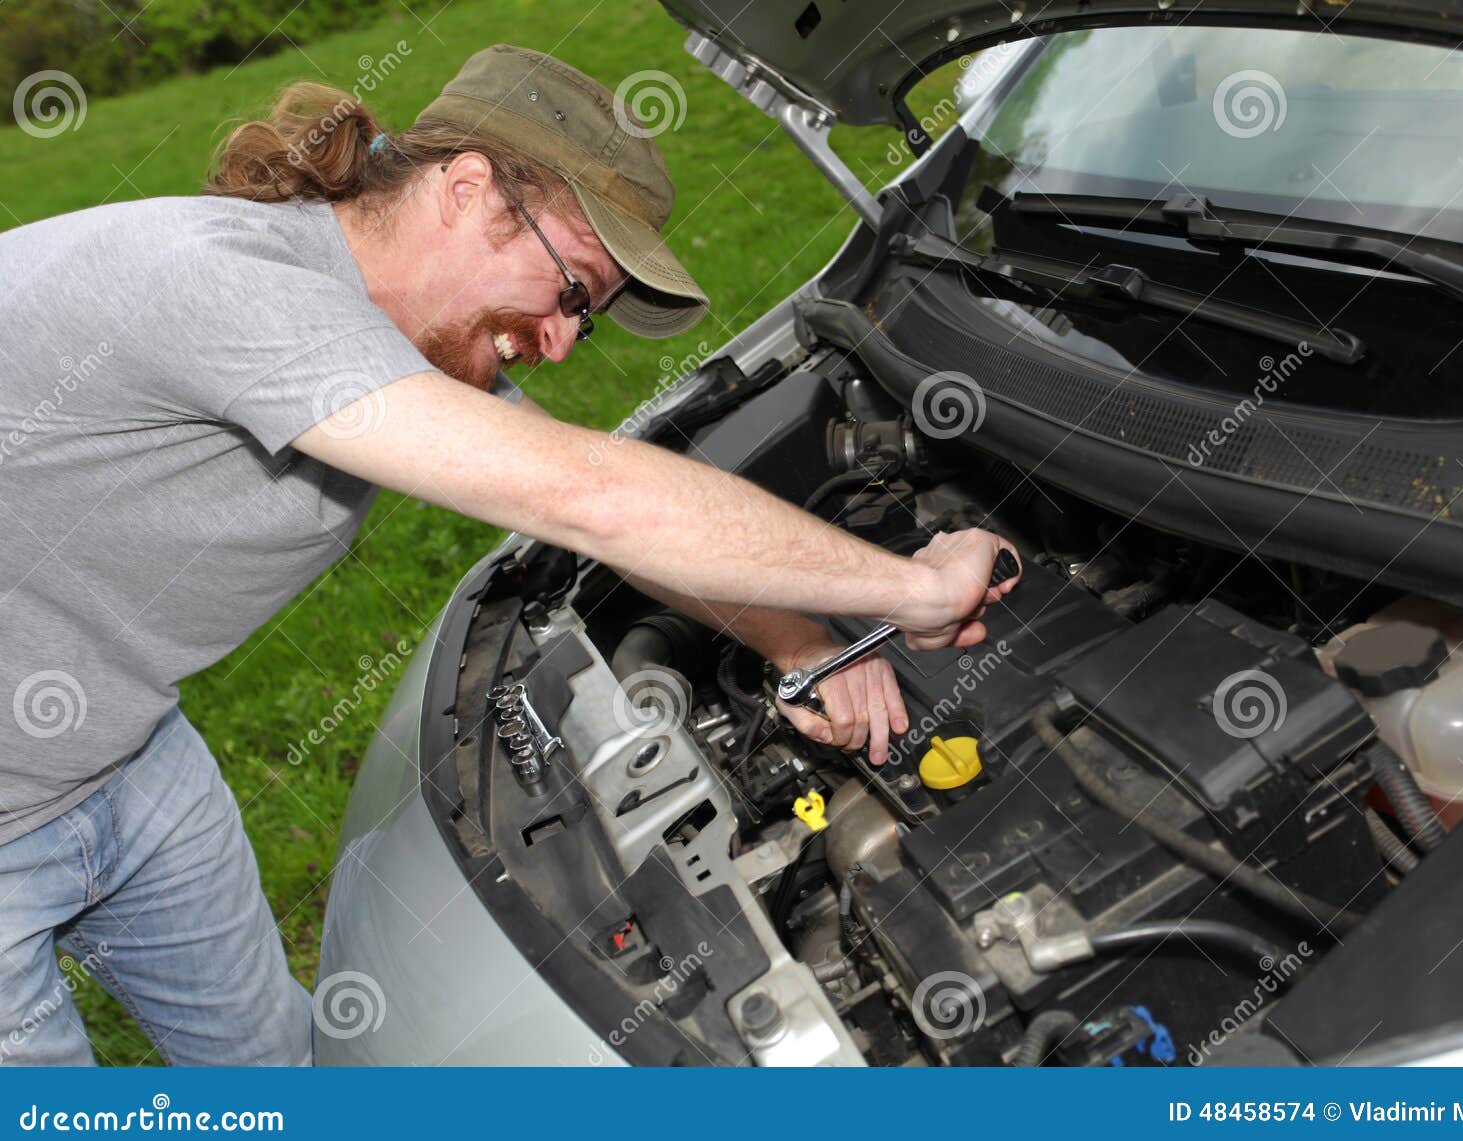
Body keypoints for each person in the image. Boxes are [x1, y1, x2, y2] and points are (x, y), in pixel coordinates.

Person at [0, 45, 1018, 1065]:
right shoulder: (227, 285)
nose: (564, 340)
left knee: (276, 1075)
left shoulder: (384, 337)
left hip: (126, 758)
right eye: (571, 288)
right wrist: (914, 585)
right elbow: (591, 493)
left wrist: (801, 647)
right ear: (468, 187)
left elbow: (596, 520)